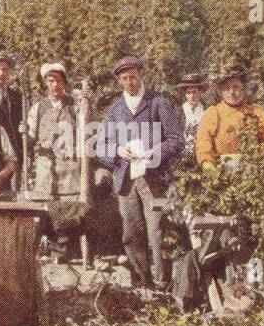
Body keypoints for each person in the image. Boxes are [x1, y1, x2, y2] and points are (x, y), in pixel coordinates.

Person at [96, 56, 184, 291]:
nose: (130, 82)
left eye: (133, 77)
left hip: (154, 178)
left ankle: (162, 283)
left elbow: (176, 140)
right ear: (119, 81)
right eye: (124, 79)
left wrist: (154, 152)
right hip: (126, 180)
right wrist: (117, 150)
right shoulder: (116, 110)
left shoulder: (157, 104)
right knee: (132, 231)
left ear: (140, 75)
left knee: (157, 230)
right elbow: (101, 146)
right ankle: (141, 283)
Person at [27, 62, 87, 261]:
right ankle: (49, 248)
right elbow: (30, 137)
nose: (55, 85)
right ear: (46, 83)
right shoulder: (38, 107)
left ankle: (65, 250)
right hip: (46, 165)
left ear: (64, 83)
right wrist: (24, 134)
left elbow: (85, 130)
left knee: (68, 208)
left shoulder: (74, 106)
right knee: (48, 207)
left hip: (69, 164)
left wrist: (86, 105)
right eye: (51, 81)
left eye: (58, 81)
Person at [194, 64, 264, 167]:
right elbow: (203, 147)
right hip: (222, 171)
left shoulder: (255, 112)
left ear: (243, 89)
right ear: (220, 91)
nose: (232, 92)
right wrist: (211, 171)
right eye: (227, 88)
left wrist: (259, 162)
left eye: (236, 87)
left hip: (252, 170)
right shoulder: (213, 113)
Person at [0, 51, 25, 186]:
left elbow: (20, 123)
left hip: (12, 152)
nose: (1, 73)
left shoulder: (16, 96)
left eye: (5, 70)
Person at [177, 72, 207, 156]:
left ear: (200, 92)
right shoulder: (179, 111)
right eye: (188, 93)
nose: (192, 96)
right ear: (185, 94)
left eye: (194, 92)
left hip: (202, 150)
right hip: (183, 152)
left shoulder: (207, 109)